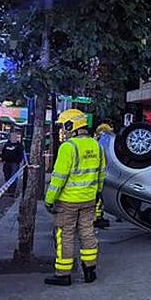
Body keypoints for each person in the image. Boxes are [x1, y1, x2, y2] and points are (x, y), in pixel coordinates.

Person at [44, 109, 105, 286]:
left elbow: (58, 179)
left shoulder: (68, 147)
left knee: (65, 235)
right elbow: (101, 174)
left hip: (68, 201)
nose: (64, 130)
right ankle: (89, 270)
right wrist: (97, 194)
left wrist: (49, 200)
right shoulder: (97, 146)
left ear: (72, 125)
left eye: (64, 126)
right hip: (89, 200)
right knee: (87, 232)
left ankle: (63, 274)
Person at [92, 123, 113, 229]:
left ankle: (97, 217)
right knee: (99, 199)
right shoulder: (105, 140)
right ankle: (97, 218)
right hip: (101, 173)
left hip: (94, 174)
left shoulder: (97, 141)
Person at [1, 131, 24, 196]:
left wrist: (18, 161)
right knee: (7, 176)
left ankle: (12, 191)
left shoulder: (19, 145)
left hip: (14, 163)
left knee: (13, 177)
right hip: (7, 163)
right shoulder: (7, 144)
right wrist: (3, 159)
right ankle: (8, 189)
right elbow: (3, 152)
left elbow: (21, 154)